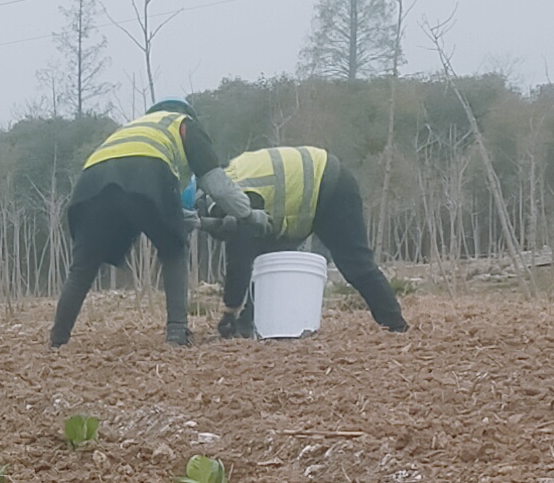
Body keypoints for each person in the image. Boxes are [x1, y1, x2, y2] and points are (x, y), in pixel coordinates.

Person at [48, 98, 222, 345]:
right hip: (147, 173)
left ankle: (57, 340)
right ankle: (177, 332)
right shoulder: (183, 123)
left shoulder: (131, 128)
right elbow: (199, 189)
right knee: (173, 248)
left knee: (82, 268)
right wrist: (243, 215)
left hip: (90, 183)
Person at [198, 144, 408, 335]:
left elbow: (239, 259)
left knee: (355, 264)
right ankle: (249, 324)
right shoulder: (229, 179)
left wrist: (229, 311)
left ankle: (395, 324)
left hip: (330, 184)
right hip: (310, 194)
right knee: (267, 265)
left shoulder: (237, 198)